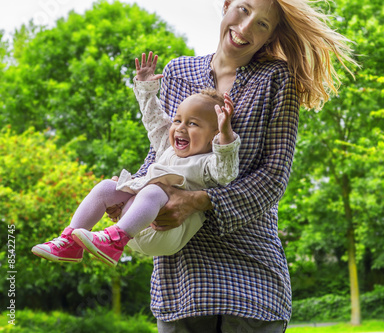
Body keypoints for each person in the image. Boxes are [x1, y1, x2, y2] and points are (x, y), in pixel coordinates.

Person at [115, 0, 358, 331]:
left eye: (262, 24)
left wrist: (201, 201)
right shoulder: (177, 72)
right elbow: (161, 155)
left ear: (272, 34)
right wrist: (130, 198)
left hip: (250, 279)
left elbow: (273, 178)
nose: (245, 28)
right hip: (180, 279)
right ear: (227, 4)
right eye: (243, 10)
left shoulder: (275, 79)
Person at [31, 54, 241, 266]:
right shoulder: (167, 148)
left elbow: (227, 171)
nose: (180, 128)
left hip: (166, 231)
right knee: (106, 187)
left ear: (214, 135)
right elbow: (155, 121)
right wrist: (146, 89)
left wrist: (226, 135)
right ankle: (70, 242)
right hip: (136, 220)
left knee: (154, 190)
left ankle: (114, 240)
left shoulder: (207, 162)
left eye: (193, 124)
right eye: (177, 120)